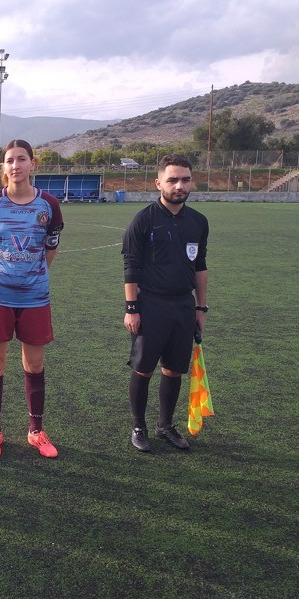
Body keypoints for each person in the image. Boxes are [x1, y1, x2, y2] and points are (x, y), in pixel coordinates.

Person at [0, 140, 64, 459]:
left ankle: (36, 431)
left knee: (34, 363)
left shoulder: (49, 204)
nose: (15, 165)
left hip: (35, 296)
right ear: (4, 167)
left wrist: (33, 275)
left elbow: (50, 247)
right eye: (10, 160)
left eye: (21, 159)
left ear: (32, 163)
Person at [122, 154, 209, 452]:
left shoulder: (198, 222)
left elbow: (200, 266)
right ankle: (139, 426)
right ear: (159, 183)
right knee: (143, 368)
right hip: (150, 305)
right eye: (172, 180)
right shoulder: (143, 220)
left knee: (174, 369)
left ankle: (165, 425)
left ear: (192, 182)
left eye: (185, 180)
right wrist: (131, 308)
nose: (179, 186)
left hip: (183, 306)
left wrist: (200, 307)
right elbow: (131, 266)